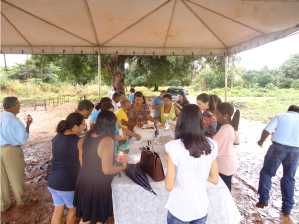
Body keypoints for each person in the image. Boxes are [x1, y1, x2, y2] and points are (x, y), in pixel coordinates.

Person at [165, 104, 219, 224]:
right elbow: (215, 179)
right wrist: (198, 175)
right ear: (201, 121)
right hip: (200, 207)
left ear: (180, 121)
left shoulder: (173, 147)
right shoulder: (212, 144)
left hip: (179, 208)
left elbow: (169, 186)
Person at [74, 111, 128, 224]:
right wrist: (122, 166)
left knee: (86, 218)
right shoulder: (107, 141)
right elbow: (107, 170)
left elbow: (83, 164)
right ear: (111, 125)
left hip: (83, 182)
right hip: (97, 186)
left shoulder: (83, 139)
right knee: (97, 219)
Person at [256, 105, 299, 220]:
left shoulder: (281, 116)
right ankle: (287, 208)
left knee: (267, 173)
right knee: (289, 178)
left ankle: (263, 200)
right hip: (295, 151)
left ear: (289, 110)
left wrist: (261, 141)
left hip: (277, 148)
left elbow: (267, 130)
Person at [48, 112, 86, 224]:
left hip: (53, 182)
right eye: (83, 124)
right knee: (73, 211)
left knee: (58, 210)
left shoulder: (56, 137)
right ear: (75, 127)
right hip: (67, 183)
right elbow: (82, 164)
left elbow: (53, 157)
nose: (84, 127)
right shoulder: (78, 141)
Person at [0, 96, 33, 212]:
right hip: (11, 150)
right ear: (13, 106)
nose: (19, 106)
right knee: (16, 177)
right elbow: (23, 138)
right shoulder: (13, 119)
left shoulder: (1, 116)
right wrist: (28, 124)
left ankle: (3, 204)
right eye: (18, 104)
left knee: (1, 179)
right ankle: (22, 200)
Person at [213, 102, 237, 191]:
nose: (215, 116)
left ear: (225, 116)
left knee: (224, 191)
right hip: (229, 163)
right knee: (225, 188)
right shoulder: (231, 126)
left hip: (224, 165)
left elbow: (212, 147)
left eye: (217, 114)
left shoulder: (225, 129)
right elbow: (237, 141)